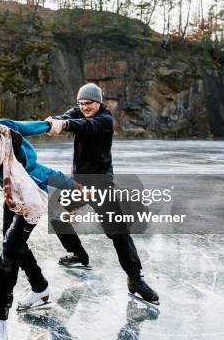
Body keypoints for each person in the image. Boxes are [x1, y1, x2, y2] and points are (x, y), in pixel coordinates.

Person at [46, 83, 159, 304]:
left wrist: (64, 124)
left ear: (98, 102)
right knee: (55, 211)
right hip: (79, 184)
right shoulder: (79, 110)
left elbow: (84, 126)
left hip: (100, 184)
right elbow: (68, 116)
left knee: (118, 232)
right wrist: (52, 122)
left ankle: (135, 278)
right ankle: (78, 254)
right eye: (81, 103)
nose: (84, 107)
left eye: (88, 103)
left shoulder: (105, 119)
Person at [0, 113, 74, 340]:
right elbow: (24, 125)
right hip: (12, 196)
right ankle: (40, 286)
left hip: (31, 196)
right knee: (14, 244)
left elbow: (45, 171)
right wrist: (46, 125)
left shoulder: (15, 152)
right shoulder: (0, 129)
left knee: (10, 249)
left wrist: (75, 186)